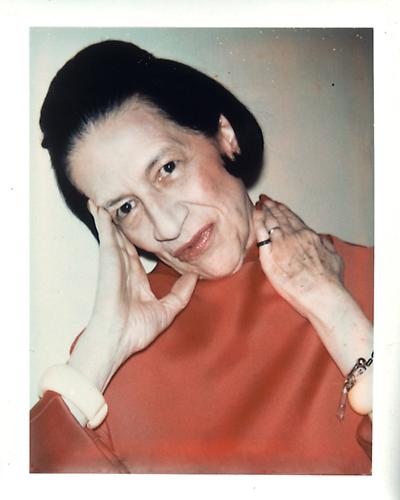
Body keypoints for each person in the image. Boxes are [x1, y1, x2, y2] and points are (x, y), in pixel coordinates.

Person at [30, 40, 373, 474]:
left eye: (167, 169)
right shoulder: (108, 356)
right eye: (126, 208)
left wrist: (336, 310)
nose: (166, 226)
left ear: (224, 135)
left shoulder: (376, 279)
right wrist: (96, 356)